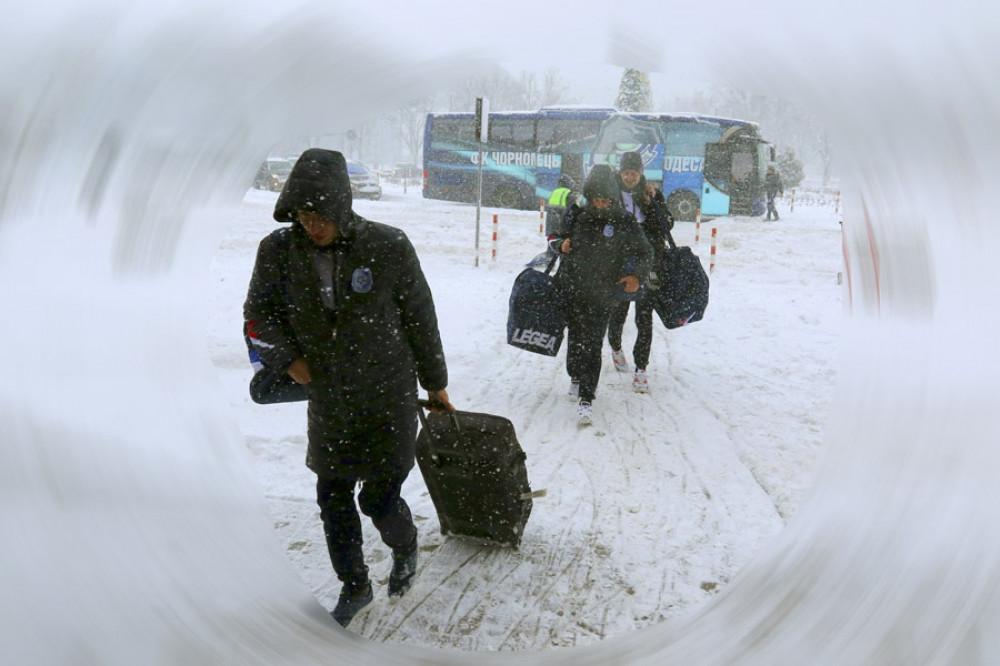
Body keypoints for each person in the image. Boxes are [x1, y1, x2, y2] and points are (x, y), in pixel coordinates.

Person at [243, 148, 454, 628]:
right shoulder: (278, 251)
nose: (311, 225)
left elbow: (420, 318)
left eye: (320, 214)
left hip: (387, 393)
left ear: (342, 207)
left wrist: (436, 383)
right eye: (302, 214)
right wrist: (289, 360)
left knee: (378, 498)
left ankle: (405, 547)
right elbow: (258, 316)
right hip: (330, 398)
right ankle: (354, 585)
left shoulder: (387, 245)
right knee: (333, 497)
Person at [551, 164, 653, 425]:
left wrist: (636, 277)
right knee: (575, 337)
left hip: (603, 292)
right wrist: (561, 244)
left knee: (593, 342)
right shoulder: (576, 213)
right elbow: (555, 239)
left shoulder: (623, 220)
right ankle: (575, 377)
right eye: (596, 198)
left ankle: (587, 397)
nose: (601, 203)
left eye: (606, 199)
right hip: (572, 287)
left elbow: (645, 252)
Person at [605, 151, 674, 393]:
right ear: (620, 172)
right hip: (619, 263)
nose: (630, 176)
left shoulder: (650, 192)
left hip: (649, 263)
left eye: (634, 172)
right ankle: (615, 347)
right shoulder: (610, 192)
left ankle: (641, 369)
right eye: (626, 172)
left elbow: (667, 224)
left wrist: (653, 202)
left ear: (641, 173)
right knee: (618, 312)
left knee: (644, 317)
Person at [544, 174, 580, 255]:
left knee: (552, 237)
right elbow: (572, 208)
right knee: (561, 241)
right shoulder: (569, 193)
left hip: (551, 218)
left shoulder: (554, 191)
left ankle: (549, 254)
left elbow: (549, 206)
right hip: (561, 219)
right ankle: (555, 256)